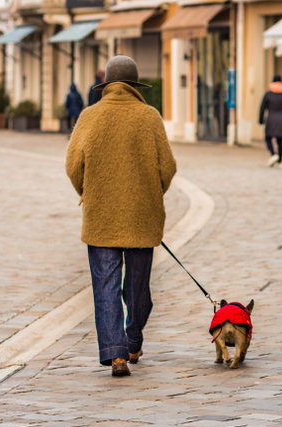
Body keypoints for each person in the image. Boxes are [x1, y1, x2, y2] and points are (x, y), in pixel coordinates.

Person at [66, 56, 176, 377]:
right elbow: (167, 168)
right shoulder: (149, 116)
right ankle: (133, 340)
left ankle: (115, 354)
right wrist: (150, 195)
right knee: (137, 287)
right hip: (142, 217)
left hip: (100, 218)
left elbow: (73, 166)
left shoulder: (90, 116)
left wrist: (89, 194)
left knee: (106, 286)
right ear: (135, 86)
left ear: (106, 85)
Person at [260, 75, 282, 168]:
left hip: (271, 119)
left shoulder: (268, 94)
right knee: (280, 141)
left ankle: (273, 154)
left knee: (268, 138)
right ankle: (280, 161)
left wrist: (260, 120)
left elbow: (262, 108)